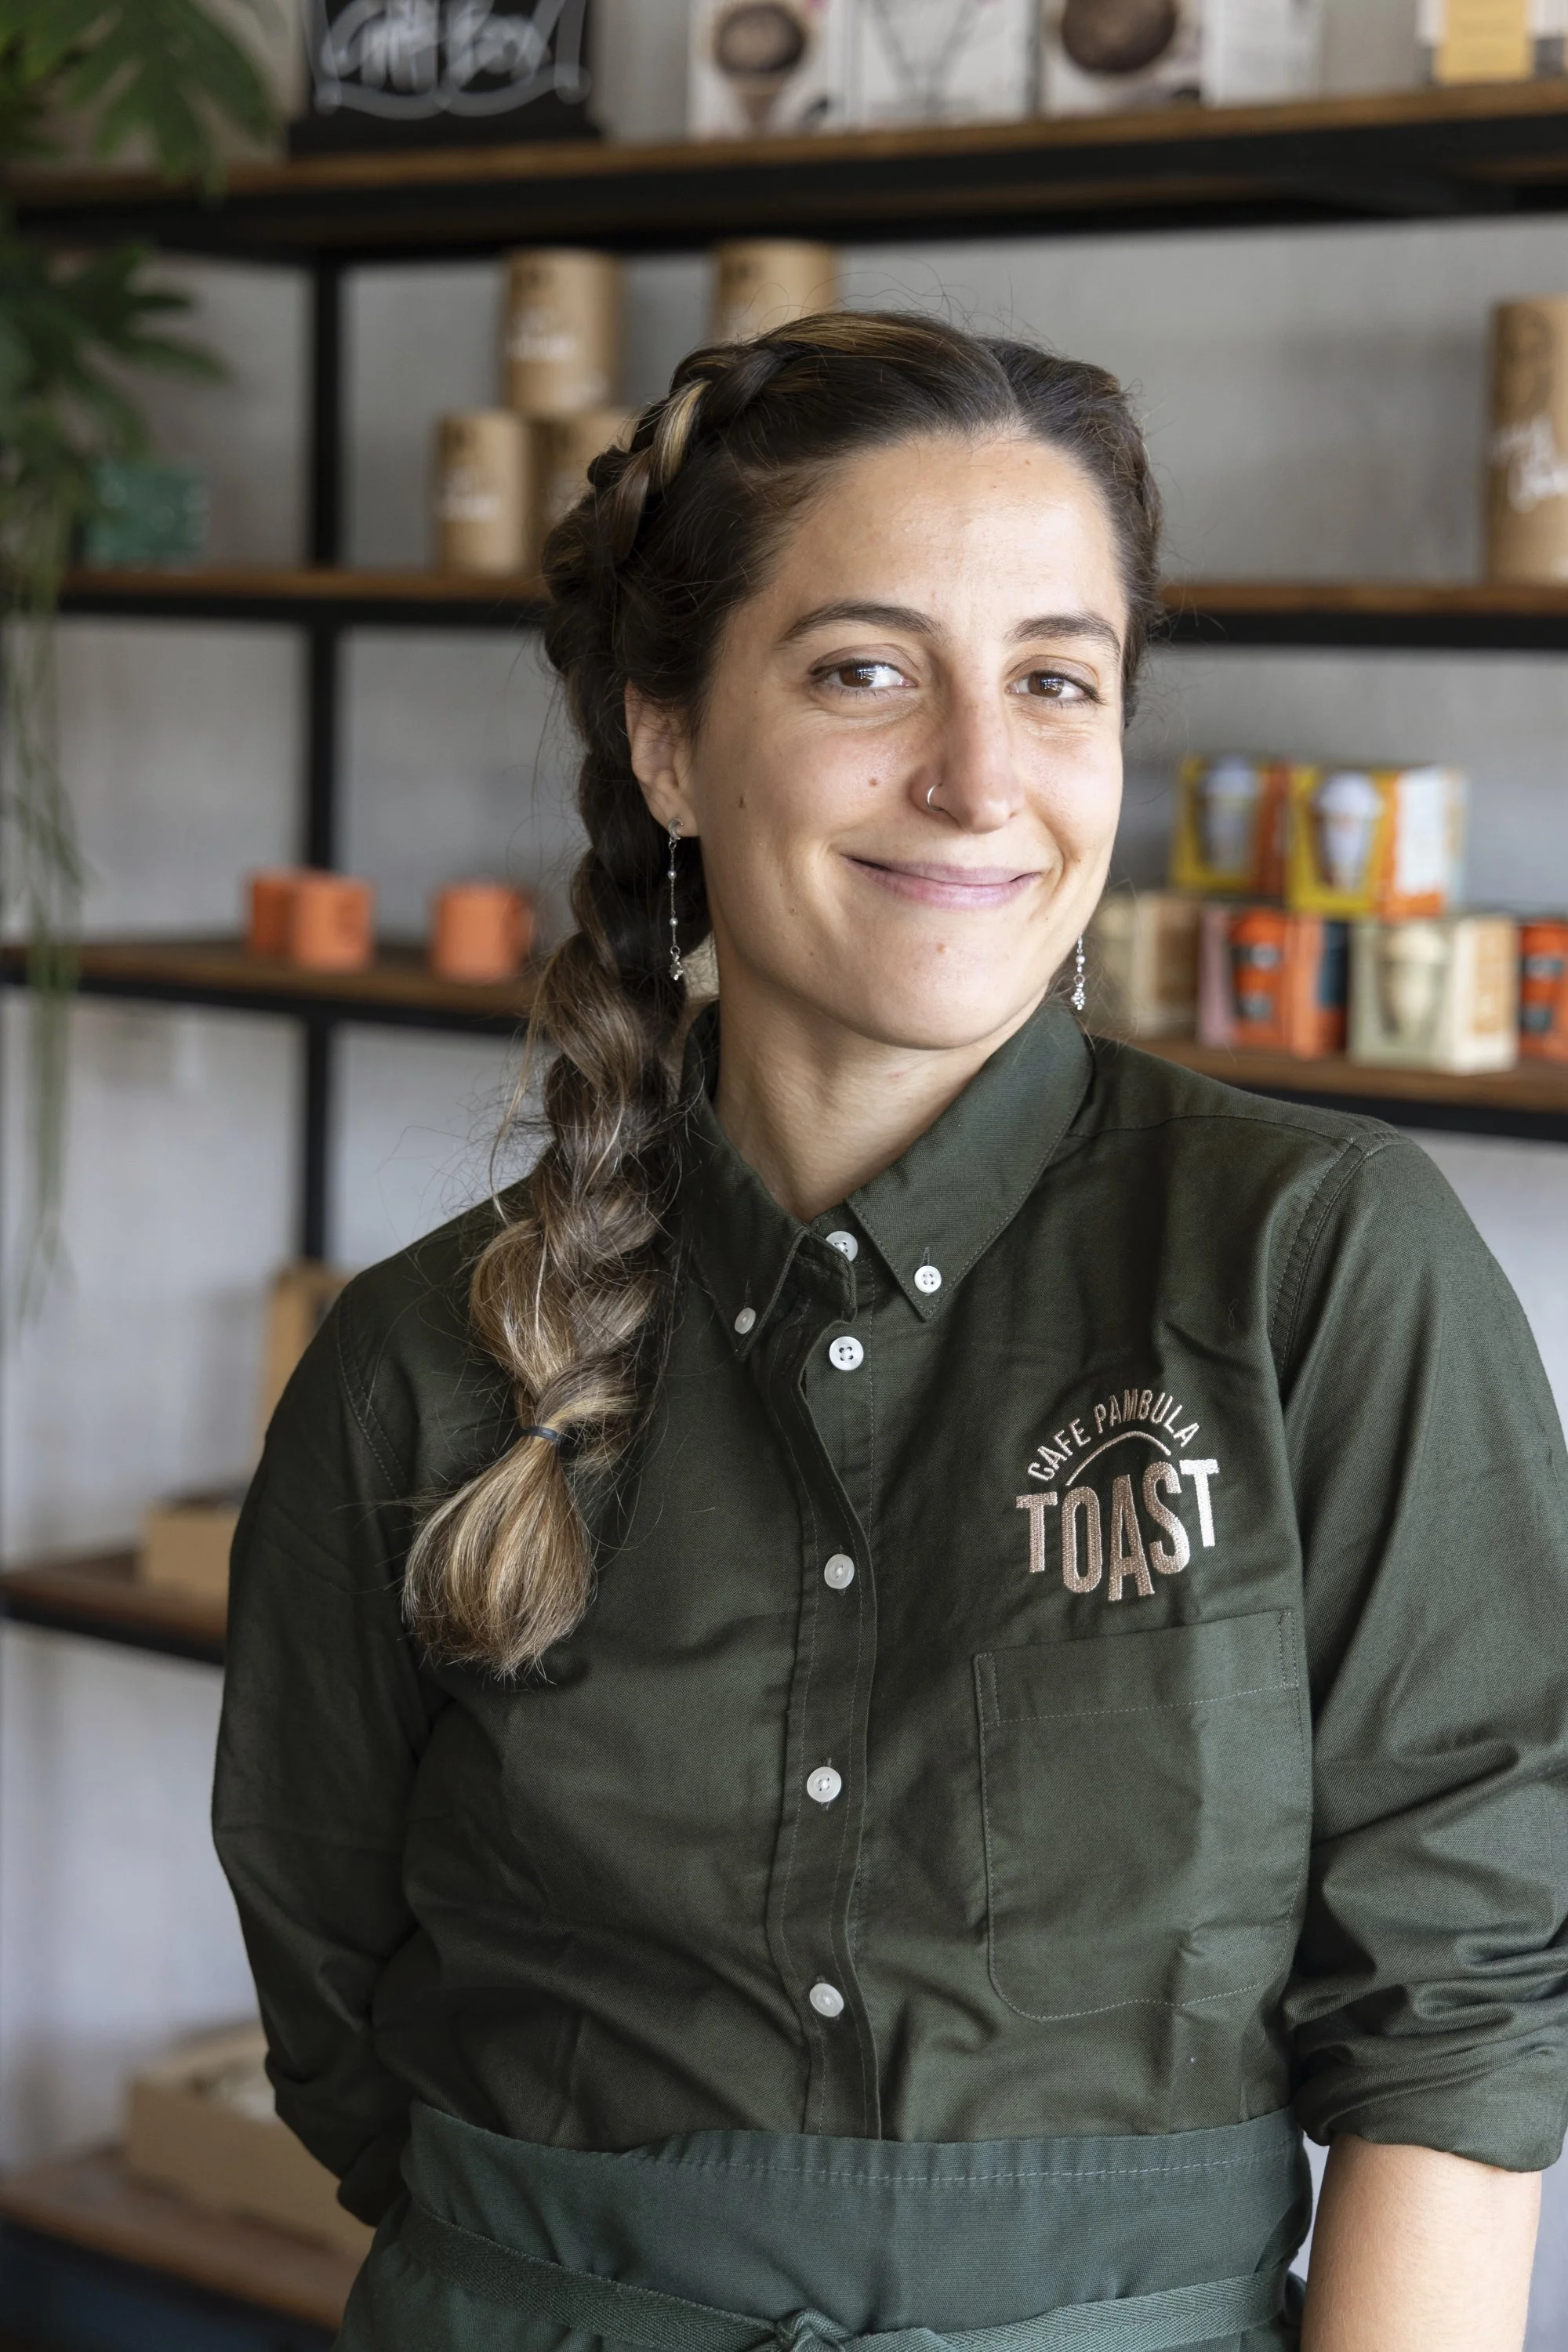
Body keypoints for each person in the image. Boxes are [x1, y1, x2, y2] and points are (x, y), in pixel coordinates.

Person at [214, 313, 1567, 2352]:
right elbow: (342, 2013)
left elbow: (1457, 2016)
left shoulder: (1311, 1267)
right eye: (866, 671)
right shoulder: (423, 1366)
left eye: (1055, 680)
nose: (977, 778)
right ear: (667, 736)